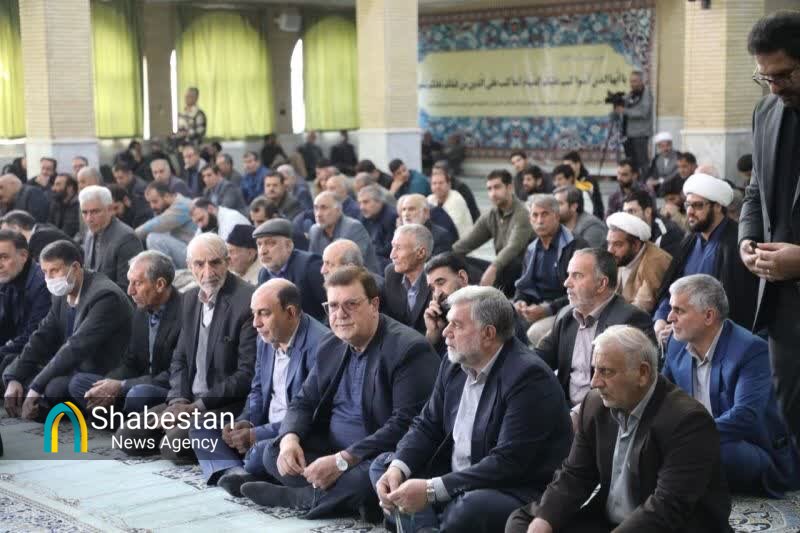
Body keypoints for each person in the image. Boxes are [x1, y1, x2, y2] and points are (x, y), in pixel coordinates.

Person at [240, 266, 440, 521]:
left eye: (351, 305)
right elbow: (304, 401)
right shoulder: (332, 343)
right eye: (333, 306)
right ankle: (343, 499)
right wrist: (290, 439)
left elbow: (403, 425)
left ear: (374, 304)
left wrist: (343, 461)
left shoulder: (408, 349)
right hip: (332, 446)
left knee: (369, 477)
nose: (340, 314)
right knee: (274, 452)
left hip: (376, 454)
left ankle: (302, 498)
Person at [372, 286, 572, 533]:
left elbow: (507, 464)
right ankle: (429, 527)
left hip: (513, 488)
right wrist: (398, 468)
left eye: (456, 325)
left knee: (470, 508)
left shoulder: (528, 377)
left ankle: (424, 521)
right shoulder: (454, 362)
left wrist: (432, 490)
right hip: (457, 477)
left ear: (488, 334)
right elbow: (427, 425)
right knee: (384, 466)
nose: (445, 332)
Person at [506, 325, 732, 533]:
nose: (594, 382)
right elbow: (575, 474)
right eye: (594, 370)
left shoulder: (688, 421)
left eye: (606, 372)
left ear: (642, 373)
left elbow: (667, 507)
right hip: (610, 521)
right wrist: (544, 520)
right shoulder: (595, 404)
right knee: (524, 523)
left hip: (671, 526)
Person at [116, 233, 256, 460]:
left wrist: (195, 408)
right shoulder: (190, 299)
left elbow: (245, 374)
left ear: (228, 262)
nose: (208, 272)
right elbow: (179, 359)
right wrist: (178, 401)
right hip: (189, 399)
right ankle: (186, 434)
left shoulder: (247, 300)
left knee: (173, 445)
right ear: (189, 266)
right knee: (127, 437)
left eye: (215, 263)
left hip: (226, 403)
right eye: (199, 264)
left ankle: (203, 440)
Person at [663, 274, 800, 496]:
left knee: (708, 450)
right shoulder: (676, 344)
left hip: (749, 446)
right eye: (671, 309)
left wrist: (690, 435)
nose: (670, 317)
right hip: (697, 438)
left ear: (709, 316)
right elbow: (661, 398)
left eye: (679, 310)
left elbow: (744, 416)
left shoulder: (750, 350)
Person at [204, 279, 328, 492]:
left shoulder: (321, 345)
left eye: (264, 313)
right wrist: (245, 422)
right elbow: (257, 390)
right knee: (201, 426)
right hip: (264, 425)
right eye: (254, 313)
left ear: (290, 312)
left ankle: (245, 470)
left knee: (262, 453)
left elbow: (309, 413)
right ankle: (237, 471)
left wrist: (257, 434)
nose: (256, 323)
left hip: (293, 433)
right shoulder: (265, 338)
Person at [740, 11, 800, 442]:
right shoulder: (766, 112)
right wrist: (747, 237)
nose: (774, 87)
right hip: (784, 311)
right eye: (766, 78)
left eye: (784, 75)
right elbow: (755, 190)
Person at [3, 240, 133, 419]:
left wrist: (35, 387)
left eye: (55, 270)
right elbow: (41, 336)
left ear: (76, 268)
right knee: (11, 367)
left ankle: (45, 406)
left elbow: (76, 346)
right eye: (45, 272)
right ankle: (36, 403)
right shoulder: (62, 293)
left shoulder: (104, 295)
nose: (49, 278)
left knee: (54, 388)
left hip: (100, 370)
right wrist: (14, 377)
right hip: (73, 365)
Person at [535, 249, 655, 425]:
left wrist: (578, 415)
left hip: (607, 417)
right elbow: (538, 360)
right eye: (568, 275)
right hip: (564, 409)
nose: (567, 283)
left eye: (577, 276)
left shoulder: (630, 320)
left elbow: (631, 387)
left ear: (601, 284)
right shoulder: (566, 316)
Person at [68, 251, 182, 414]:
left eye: (137, 283)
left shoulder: (184, 312)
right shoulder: (141, 310)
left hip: (166, 390)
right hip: (136, 384)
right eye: (130, 282)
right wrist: (108, 384)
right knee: (79, 383)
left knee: (139, 394)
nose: (130, 291)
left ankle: (119, 419)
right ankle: (123, 419)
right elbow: (131, 361)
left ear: (160, 285)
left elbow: (173, 375)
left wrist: (122, 386)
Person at [654, 173, 758, 340]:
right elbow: (672, 290)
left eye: (697, 205)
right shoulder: (689, 241)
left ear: (717, 206)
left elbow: (734, 309)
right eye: (688, 205)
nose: (690, 211)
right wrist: (660, 319)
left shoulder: (736, 243)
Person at [514, 195, 589, 347]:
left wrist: (548, 309)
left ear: (556, 216)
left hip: (568, 309)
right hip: (536, 308)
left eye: (545, 214)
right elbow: (524, 285)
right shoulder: (532, 248)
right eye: (535, 215)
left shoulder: (576, 246)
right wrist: (520, 302)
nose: (539, 220)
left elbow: (582, 292)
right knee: (500, 321)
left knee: (535, 332)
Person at [452, 169, 534, 297]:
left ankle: (481, 294)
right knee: (457, 260)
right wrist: (445, 257)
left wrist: (493, 269)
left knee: (511, 263)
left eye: (497, 187)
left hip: (522, 273)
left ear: (510, 188)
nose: (493, 193)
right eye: (489, 189)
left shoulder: (523, 213)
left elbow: (513, 248)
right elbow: (467, 243)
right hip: (500, 270)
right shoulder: (491, 215)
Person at [254, 219, 327, 321]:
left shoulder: (310, 266)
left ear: (288, 246)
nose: (263, 251)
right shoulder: (263, 274)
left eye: (270, 243)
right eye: (259, 244)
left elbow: (330, 308)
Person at [0, 230, 50, 377]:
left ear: (23, 256)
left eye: (4, 257)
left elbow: (34, 335)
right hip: (18, 348)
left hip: (40, 355)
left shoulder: (42, 284)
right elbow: (4, 325)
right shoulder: (7, 278)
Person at [80, 185, 144, 292]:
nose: (89, 218)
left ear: (110, 209)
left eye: (95, 212)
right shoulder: (89, 234)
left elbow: (128, 289)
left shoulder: (126, 238)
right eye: (84, 212)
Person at [605, 212, 672, 314]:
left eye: (617, 244)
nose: (610, 250)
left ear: (636, 245)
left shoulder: (653, 263)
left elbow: (639, 309)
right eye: (609, 243)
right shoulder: (622, 258)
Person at [308, 192, 379, 274]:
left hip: (361, 277)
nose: (318, 214)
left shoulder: (353, 228)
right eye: (316, 208)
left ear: (338, 210)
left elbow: (351, 265)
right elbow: (313, 263)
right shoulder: (314, 230)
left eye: (324, 208)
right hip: (329, 277)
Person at [383, 224, 434, 335]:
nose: (392, 255)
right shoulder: (391, 273)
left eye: (399, 248)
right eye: (393, 247)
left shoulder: (436, 281)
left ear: (420, 253)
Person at [137, 182, 196, 269]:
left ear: (167, 196)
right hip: (186, 250)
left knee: (154, 238)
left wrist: (131, 235)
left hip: (194, 255)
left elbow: (154, 225)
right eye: (150, 202)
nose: (152, 206)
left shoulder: (182, 206)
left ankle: (170, 274)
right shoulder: (172, 205)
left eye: (155, 201)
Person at [622, 187, 684, 258]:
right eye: (625, 212)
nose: (626, 217)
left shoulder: (667, 233)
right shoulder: (627, 230)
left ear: (647, 212)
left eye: (631, 211)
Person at [618, 70, 653, 178]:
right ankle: (633, 182)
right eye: (631, 81)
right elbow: (624, 109)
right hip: (628, 135)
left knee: (642, 162)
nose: (632, 84)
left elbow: (644, 112)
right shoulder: (631, 95)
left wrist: (624, 111)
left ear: (641, 81)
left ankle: (645, 183)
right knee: (630, 163)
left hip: (640, 134)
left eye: (635, 81)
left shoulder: (646, 93)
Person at [0, 210, 69, 260]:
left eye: (5, 232)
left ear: (15, 228)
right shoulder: (42, 230)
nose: (4, 236)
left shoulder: (39, 237)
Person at [357, 185, 397, 271]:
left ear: (379, 201)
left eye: (366, 202)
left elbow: (389, 248)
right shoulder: (363, 217)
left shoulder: (391, 217)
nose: (361, 207)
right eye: (360, 203)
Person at [428, 164, 472, 240]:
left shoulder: (456, 199)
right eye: (434, 183)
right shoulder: (430, 199)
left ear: (449, 185)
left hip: (461, 243)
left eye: (441, 183)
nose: (437, 186)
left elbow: (448, 227)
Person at [563, 151, 604, 220]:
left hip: (591, 218)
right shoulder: (568, 180)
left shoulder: (589, 180)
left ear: (578, 164)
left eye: (569, 165)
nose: (566, 169)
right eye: (564, 166)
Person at [112, 160, 153, 226]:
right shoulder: (126, 186)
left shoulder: (140, 189)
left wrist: (131, 205)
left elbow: (144, 212)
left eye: (121, 178)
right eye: (116, 178)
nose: (118, 181)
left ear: (130, 174)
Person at [48, 173, 80, 238]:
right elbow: (48, 226)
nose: (53, 188)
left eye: (58, 185)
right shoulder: (56, 203)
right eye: (54, 184)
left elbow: (67, 232)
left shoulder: (78, 206)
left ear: (70, 188)